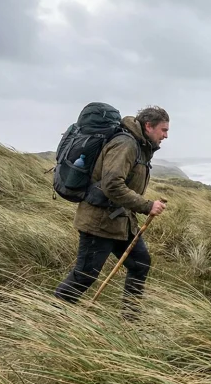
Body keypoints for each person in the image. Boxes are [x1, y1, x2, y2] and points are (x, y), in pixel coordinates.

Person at [54, 105, 170, 316]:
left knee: (140, 264)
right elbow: (112, 185)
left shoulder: (139, 145)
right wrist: (147, 205)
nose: (166, 136)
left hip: (120, 222)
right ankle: (49, 319)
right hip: (99, 222)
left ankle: (130, 320)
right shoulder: (125, 144)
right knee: (85, 276)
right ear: (149, 126)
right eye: (163, 130)